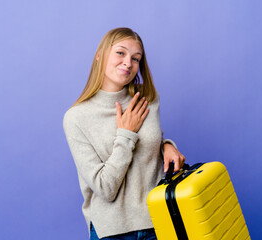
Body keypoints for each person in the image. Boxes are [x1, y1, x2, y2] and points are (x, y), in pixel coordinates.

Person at [63, 27, 185, 240]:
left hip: (160, 222)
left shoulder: (147, 98)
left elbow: (151, 141)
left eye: (136, 58)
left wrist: (167, 145)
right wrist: (126, 134)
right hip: (113, 232)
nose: (128, 63)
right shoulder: (76, 118)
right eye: (121, 53)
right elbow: (105, 188)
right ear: (100, 55)